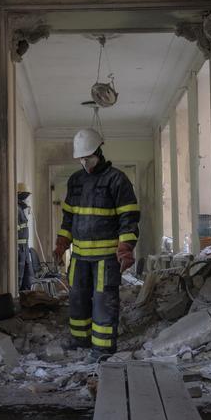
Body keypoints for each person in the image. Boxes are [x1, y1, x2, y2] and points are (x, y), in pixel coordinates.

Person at [53, 128, 140, 362]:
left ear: (99, 152)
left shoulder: (116, 179)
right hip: (79, 257)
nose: (84, 162)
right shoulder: (75, 181)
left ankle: (102, 350)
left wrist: (126, 248)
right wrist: (62, 242)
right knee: (78, 299)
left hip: (105, 259)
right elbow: (69, 217)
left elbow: (128, 217)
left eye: (88, 157)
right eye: (81, 158)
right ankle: (80, 340)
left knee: (103, 302)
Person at [16, 182, 33, 292]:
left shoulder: (21, 209)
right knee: (19, 277)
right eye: (24, 195)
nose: (26, 198)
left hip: (25, 248)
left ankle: (27, 300)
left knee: (28, 277)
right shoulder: (16, 210)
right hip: (19, 248)